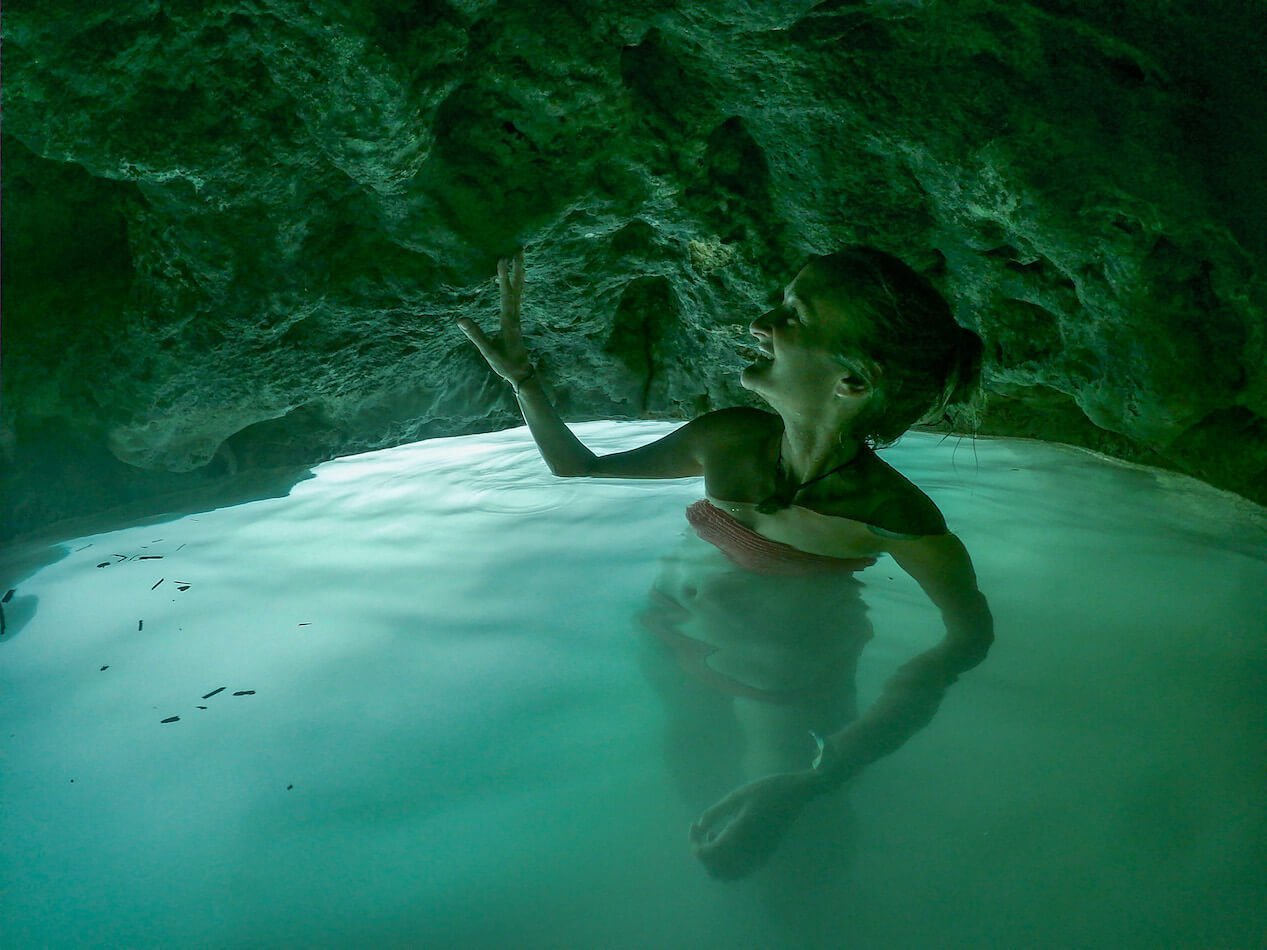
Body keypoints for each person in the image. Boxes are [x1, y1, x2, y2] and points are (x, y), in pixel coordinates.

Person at [458, 247, 995, 881]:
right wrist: (525, 382)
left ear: (852, 381)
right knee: (689, 771)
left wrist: (828, 773)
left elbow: (969, 636)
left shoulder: (894, 515)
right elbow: (581, 467)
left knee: (790, 824)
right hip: (672, 627)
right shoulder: (727, 437)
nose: (761, 323)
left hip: (783, 670)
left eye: (794, 314)